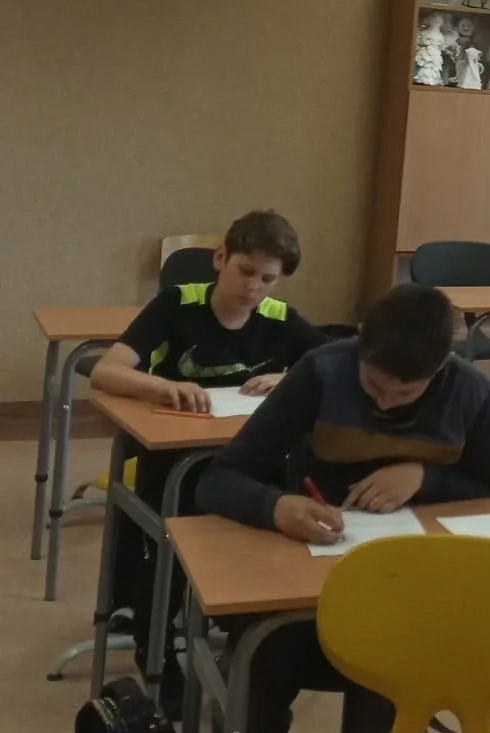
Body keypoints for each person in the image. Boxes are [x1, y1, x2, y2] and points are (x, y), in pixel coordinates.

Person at [197, 284, 490, 733]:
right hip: (302, 595)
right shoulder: (321, 372)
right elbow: (219, 479)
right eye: (374, 387)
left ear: (440, 369)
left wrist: (424, 476)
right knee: (244, 700)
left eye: (405, 394)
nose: (386, 402)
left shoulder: (473, 395)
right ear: (360, 351)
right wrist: (277, 505)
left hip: (407, 607)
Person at [89, 210, 322, 682]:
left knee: (265, 535)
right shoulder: (177, 304)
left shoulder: (280, 319)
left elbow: (332, 365)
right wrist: (161, 386)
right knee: (175, 544)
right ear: (220, 259)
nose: (254, 287)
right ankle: (156, 647)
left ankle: (242, 640)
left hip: (245, 464)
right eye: (245, 271)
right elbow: (105, 371)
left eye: (268, 279)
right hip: (173, 459)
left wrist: (287, 376)